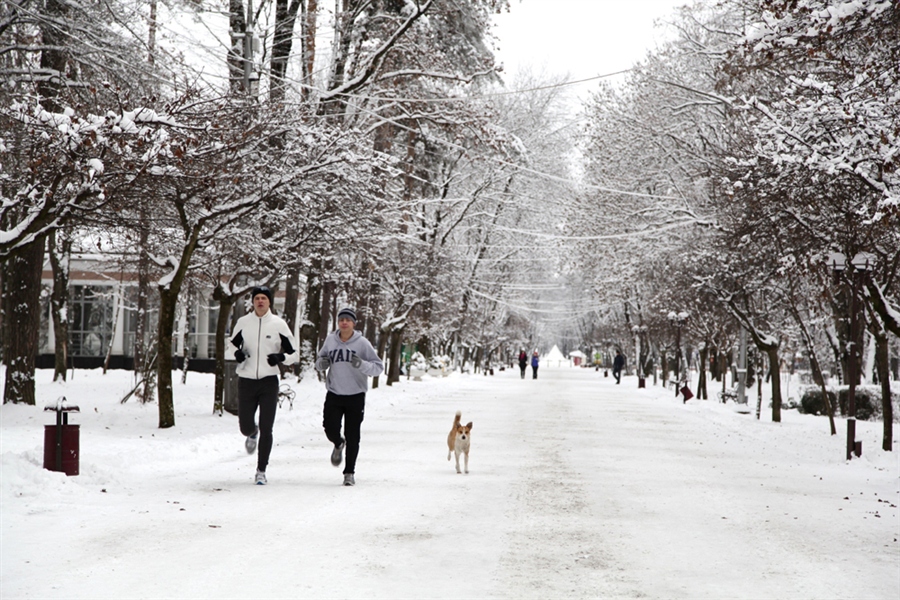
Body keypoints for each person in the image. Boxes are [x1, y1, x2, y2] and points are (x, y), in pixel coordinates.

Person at [229, 286, 298, 485]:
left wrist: (280, 357)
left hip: (269, 382)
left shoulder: (279, 324)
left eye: (264, 299)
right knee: (244, 426)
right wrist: (237, 353)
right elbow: (231, 344)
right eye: (257, 298)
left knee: (268, 427)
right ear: (253, 302)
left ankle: (261, 470)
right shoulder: (243, 323)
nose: (260, 301)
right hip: (247, 381)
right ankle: (252, 432)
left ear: (269, 302)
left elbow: (294, 353)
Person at [315, 307, 384, 486]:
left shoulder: (362, 343)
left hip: (356, 395)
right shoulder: (330, 340)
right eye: (341, 319)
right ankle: (338, 443)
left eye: (348, 319)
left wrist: (362, 364)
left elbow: (378, 367)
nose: (344, 322)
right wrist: (321, 363)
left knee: (353, 435)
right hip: (335, 393)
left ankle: (349, 472)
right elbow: (320, 360)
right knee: (329, 427)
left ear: (353, 323)